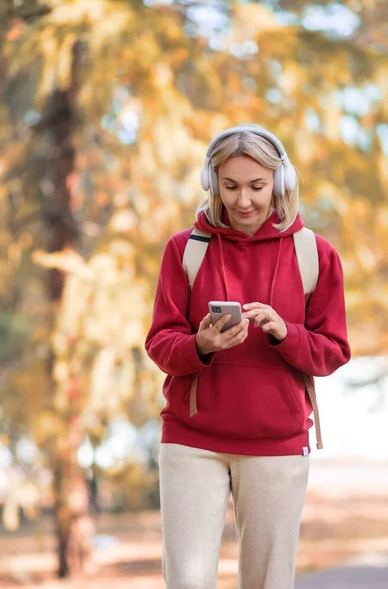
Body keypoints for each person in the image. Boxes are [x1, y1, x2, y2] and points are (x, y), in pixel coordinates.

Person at [145, 124, 351, 589]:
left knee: (268, 583)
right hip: (191, 441)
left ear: (280, 184)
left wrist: (286, 333)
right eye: (231, 186)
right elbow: (160, 343)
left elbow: (333, 351)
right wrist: (201, 346)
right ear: (211, 183)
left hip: (276, 442)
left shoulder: (314, 254)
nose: (243, 202)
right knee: (187, 582)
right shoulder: (185, 250)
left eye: (257, 187)